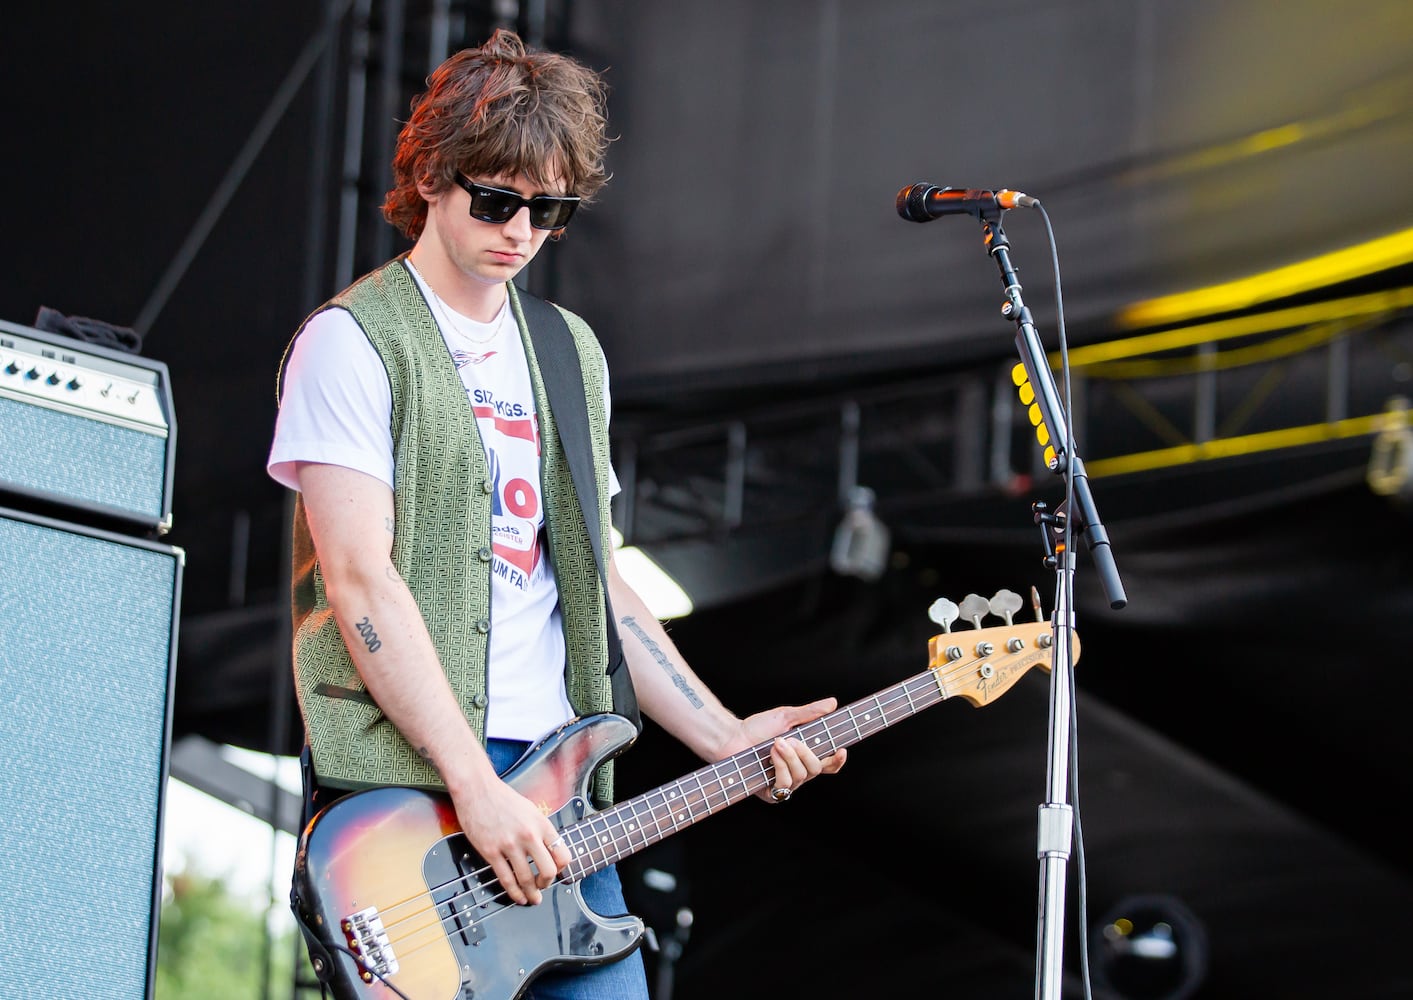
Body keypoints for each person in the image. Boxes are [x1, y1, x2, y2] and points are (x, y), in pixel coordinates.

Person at [266, 28, 845, 1000]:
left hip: (562, 795)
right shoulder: (352, 340)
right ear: (432, 173)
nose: (520, 230)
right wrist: (475, 788)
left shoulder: (570, 353)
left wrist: (725, 734)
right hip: (419, 802)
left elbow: (598, 581)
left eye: (550, 210)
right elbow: (362, 582)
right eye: (496, 199)